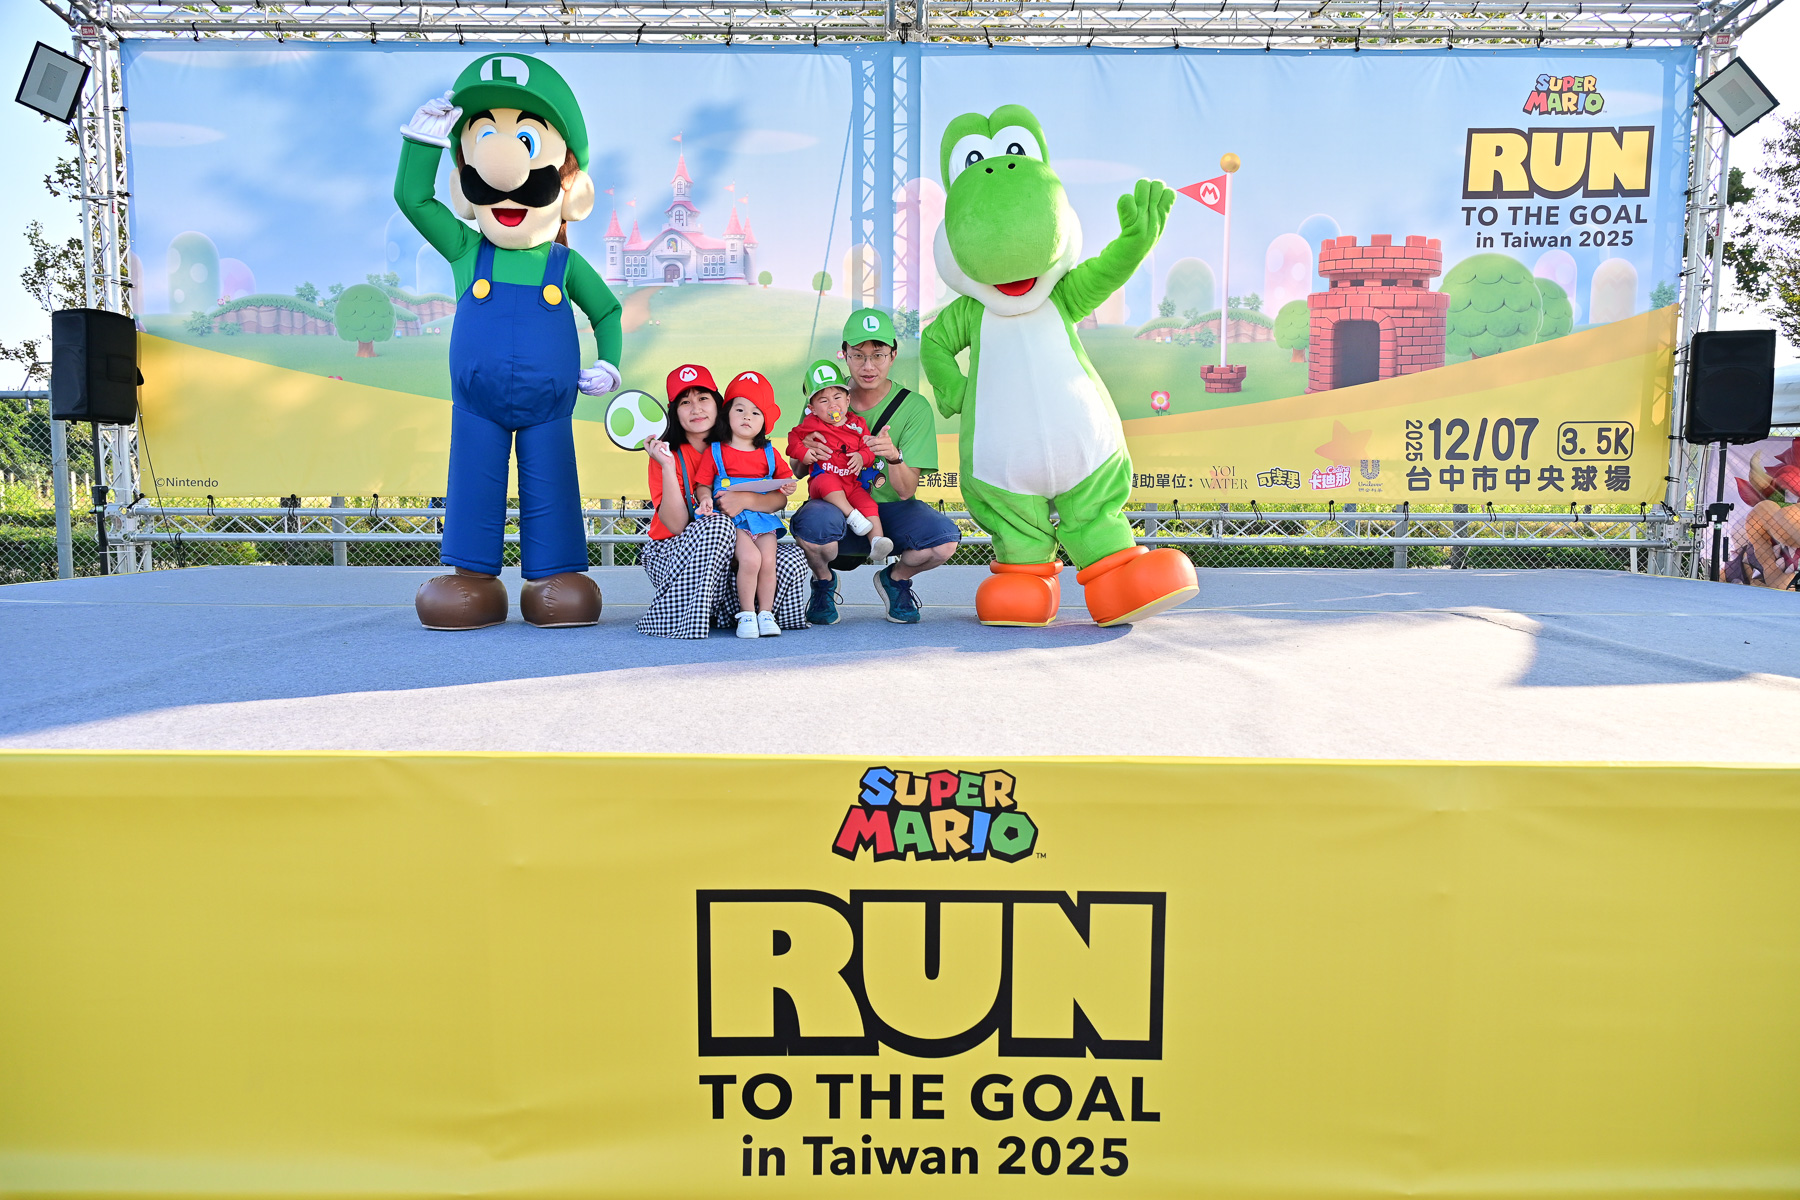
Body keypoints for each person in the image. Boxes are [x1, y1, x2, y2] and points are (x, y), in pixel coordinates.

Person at [396, 55, 621, 631]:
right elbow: (413, 200)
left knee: (553, 482)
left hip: (549, 406)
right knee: (473, 481)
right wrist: (421, 143)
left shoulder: (564, 264)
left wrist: (609, 365)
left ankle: (554, 574)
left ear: (570, 190)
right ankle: (471, 577)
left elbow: (607, 310)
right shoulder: (467, 250)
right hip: (479, 405)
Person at [790, 310, 961, 625]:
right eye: (858, 355)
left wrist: (894, 457)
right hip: (834, 508)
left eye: (878, 355)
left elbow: (906, 491)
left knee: (943, 541)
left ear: (893, 355)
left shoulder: (914, 407)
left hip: (889, 513)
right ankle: (824, 581)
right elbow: (798, 470)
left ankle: (895, 579)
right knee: (812, 527)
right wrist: (807, 452)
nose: (868, 366)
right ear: (844, 355)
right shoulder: (825, 394)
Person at [639, 365, 808, 638]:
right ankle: (681, 622)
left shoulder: (739, 443)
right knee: (718, 526)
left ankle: (751, 615)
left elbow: (777, 499)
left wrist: (745, 499)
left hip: (731, 554)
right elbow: (677, 525)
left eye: (703, 398)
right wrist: (668, 467)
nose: (696, 408)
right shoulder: (666, 454)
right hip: (675, 556)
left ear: (719, 405)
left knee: (790, 559)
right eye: (685, 402)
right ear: (674, 412)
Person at [694, 372, 798, 638]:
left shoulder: (770, 452)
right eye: (739, 409)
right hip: (732, 521)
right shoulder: (715, 450)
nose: (747, 417)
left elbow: (785, 482)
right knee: (750, 559)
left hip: (762, 519)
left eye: (755, 412)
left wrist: (788, 486)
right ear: (727, 414)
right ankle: (747, 614)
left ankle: (766, 613)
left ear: (765, 421)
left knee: (768, 561)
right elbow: (702, 484)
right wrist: (704, 498)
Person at [786, 359, 894, 566]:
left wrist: (862, 457)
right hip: (823, 481)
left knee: (868, 503)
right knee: (827, 482)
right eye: (823, 401)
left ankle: (877, 542)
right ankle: (851, 515)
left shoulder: (857, 424)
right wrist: (803, 452)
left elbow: (868, 450)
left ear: (847, 400)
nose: (832, 405)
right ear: (812, 408)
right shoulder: (811, 424)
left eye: (837, 397)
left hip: (850, 483)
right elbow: (793, 440)